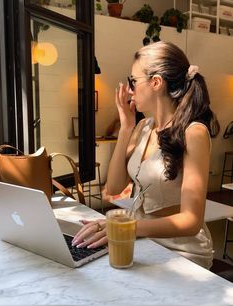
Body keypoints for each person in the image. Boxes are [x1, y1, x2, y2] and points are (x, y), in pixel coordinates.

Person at [72, 41, 220, 269]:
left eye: (133, 81)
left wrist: (128, 227)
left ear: (156, 82)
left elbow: (192, 221)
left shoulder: (194, 132)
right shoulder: (143, 127)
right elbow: (113, 187)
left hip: (181, 252)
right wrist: (125, 127)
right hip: (144, 241)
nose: (129, 89)